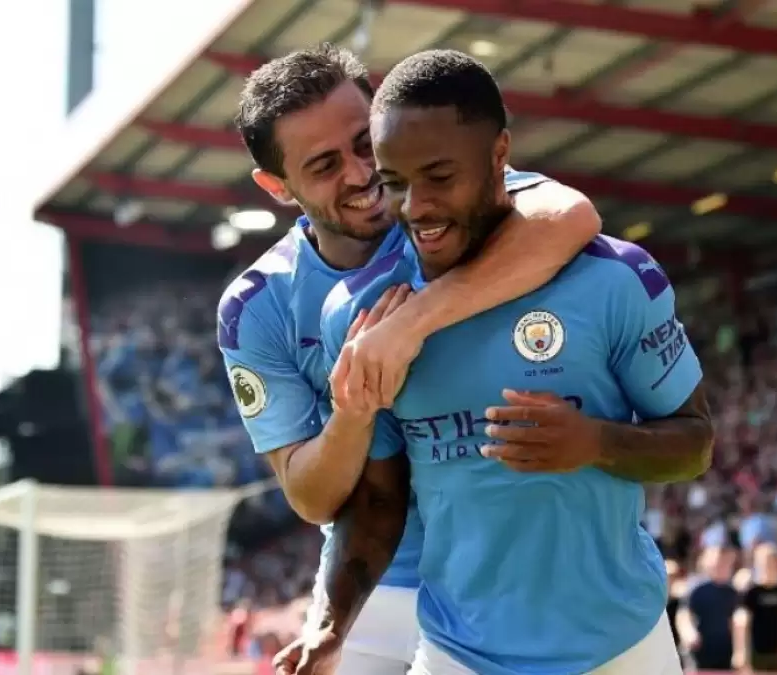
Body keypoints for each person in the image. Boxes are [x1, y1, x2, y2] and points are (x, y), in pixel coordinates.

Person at [316, 49, 713, 675]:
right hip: (458, 654)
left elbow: (695, 444)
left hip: (622, 647)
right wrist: (333, 623)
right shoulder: (364, 317)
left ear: (499, 154)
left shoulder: (613, 279)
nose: (415, 206)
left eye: (439, 176)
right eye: (395, 181)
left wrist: (595, 443)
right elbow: (378, 503)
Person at [217, 44, 601, 675]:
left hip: (507, 579)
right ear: (277, 186)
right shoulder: (256, 305)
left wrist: (409, 325)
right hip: (373, 589)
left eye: (362, 143)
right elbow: (311, 497)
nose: (360, 173)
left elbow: (570, 215)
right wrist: (353, 409)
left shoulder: (445, 203)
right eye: (324, 165)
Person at [678, 546, 739, 673]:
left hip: (725, 652)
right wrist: (689, 633)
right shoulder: (696, 589)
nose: (722, 566)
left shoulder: (733, 592)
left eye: (725, 563)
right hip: (700, 650)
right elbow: (684, 615)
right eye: (718, 563)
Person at [735, 543, 777, 672]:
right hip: (755, 651)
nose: (768, 567)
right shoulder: (751, 591)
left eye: (771, 563)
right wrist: (740, 651)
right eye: (764, 563)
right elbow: (742, 622)